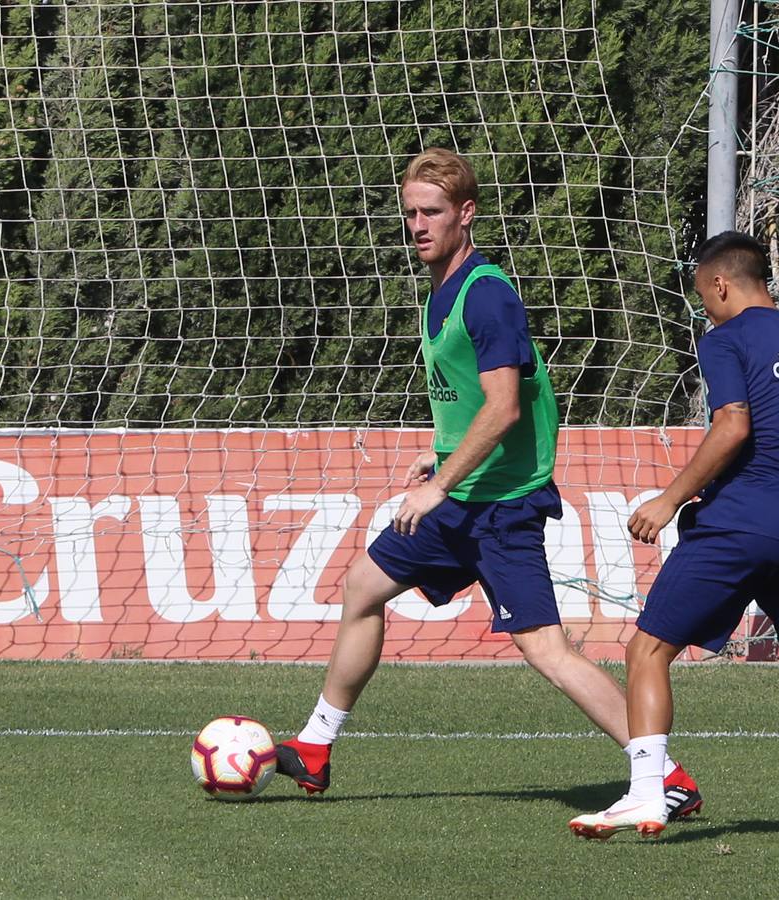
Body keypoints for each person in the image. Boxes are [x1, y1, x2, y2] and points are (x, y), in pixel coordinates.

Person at [274, 148, 700, 821]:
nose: (417, 224)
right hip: (461, 498)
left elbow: (503, 408)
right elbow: (474, 401)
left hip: (497, 510)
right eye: (409, 212)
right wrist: (439, 453)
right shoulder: (441, 287)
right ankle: (315, 747)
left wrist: (440, 481)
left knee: (545, 650)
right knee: (362, 587)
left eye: (431, 212)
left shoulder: (487, 294)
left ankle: (665, 775)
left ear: (465, 214)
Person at [568, 231, 779, 845]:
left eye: (703, 293)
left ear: (721, 283)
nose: (703, 304)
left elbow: (733, 424)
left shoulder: (726, 338)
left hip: (744, 521)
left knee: (647, 650)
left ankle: (648, 794)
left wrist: (669, 498)